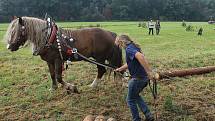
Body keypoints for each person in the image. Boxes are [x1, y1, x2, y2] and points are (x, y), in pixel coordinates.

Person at [115, 35, 158, 121]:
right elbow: (130, 62)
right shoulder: (133, 46)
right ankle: (148, 115)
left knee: (130, 100)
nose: (119, 47)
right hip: (143, 78)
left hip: (138, 79)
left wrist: (149, 72)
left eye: (119, 45)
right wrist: (120, 69)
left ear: (122, 42)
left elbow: (140, 57)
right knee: (135, 95)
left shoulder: (129, 49)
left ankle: (136, 119)